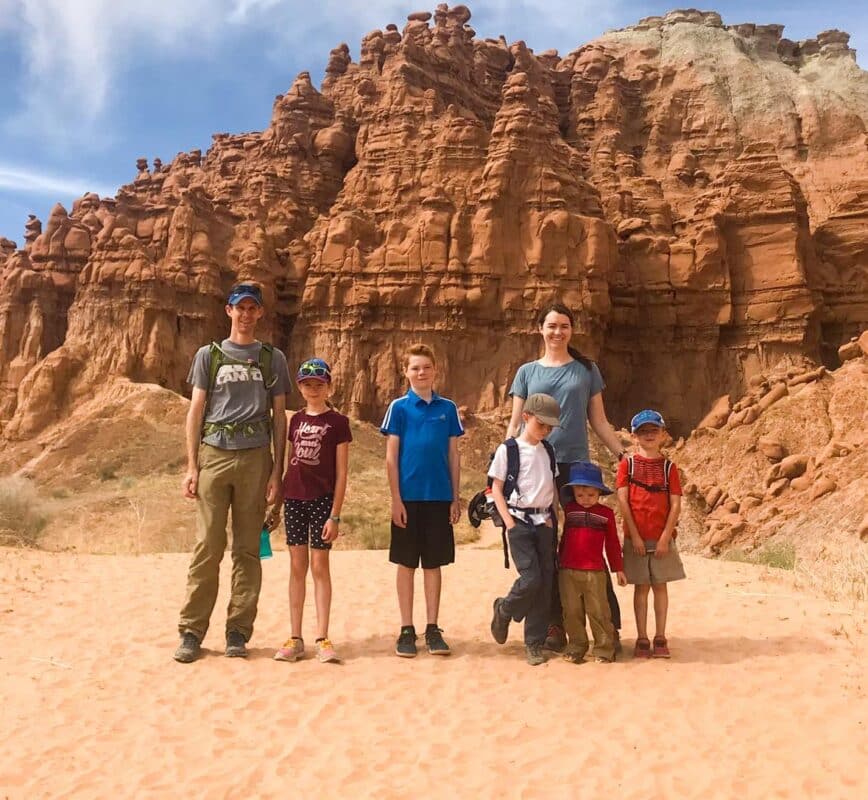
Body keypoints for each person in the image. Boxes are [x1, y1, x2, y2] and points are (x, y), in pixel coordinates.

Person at [174, 283, 289, 663]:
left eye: (252, 308)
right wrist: (192, 465)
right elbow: (195, 411)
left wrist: (277, 471)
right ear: (228, 311)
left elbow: (279, 419)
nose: (245, 314)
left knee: (246, 551)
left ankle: (238, 632)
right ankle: (192, 631)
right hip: (215, 455)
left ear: (259, 313)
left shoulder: (273, 359)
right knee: (207, 546)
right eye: (240, 307)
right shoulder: (210, 355)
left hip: (255, 459)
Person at [506, 302, 626, 652]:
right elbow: (515, 423)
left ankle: (608, 627)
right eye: (551, 326)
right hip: (536, 467)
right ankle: (554, 626)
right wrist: (505, 464)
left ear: (571, 330)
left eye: (564, 326)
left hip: (575, 468)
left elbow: (599, 421)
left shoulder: (586, 370)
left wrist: (623, 456)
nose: (557, 332)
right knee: (548, 550)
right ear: (540, 329)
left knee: (586, 543)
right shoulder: (526, 372)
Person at [381, 343, 463, 658]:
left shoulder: (448, 408)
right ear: (406, 372)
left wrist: (455, 498)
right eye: (415, 367)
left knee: (433, 564)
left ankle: (432, 628)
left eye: (426, 367)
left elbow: (454, 455)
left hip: (439, 497)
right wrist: (395, 499)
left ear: (435, 370)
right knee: (405, 564)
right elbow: (391, 458)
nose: (421, 373)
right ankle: (406, 629)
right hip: (408, 498)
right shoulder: (399, 407)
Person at [274, 358, 351, 664]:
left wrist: (335, 514)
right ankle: (295, 637)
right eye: (307, 384)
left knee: (320, 567)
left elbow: (343, 473)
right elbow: (291, 461)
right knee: (296, 567)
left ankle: (323, 637)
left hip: (322, 500)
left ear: (328, 386)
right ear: (300, 388)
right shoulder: (295, 420)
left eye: (319, 384)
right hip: (294, 499)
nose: (313, 389)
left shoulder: (338, 423)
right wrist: (278, 499)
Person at [489, 394, 560, 666]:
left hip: (544, 524)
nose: (546, 431)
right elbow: (495, 487)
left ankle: (534, 643)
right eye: (542, 425)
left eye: (550, 427)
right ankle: (504, 609)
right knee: (531, 578)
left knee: (544, 584)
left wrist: (555, 518)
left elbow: (550, 487)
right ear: (526, 417)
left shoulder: (548, 450)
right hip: (518, 522)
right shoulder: (509, 450)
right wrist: (508, 521)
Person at [616, 409, 686, 659]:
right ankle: (642, 637)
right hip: (636, 536)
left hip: (661, 537)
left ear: (663, 434)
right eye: (643, 431)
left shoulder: (669, 468)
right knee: (642, 587)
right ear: (634, 436)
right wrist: (633, 535)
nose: (648, 435)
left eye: (653, 430)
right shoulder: (628, 465)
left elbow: (675, 504)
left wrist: (666, 537)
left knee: (660, 586)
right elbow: (623, 501)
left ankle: (660, 636)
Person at [558, 461, 626, 664]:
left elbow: (613, 543)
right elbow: (563, 540)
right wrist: (559, 563)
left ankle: (604, 649)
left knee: (598, 611)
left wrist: (618, 569)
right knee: (571, 611)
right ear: (573, 494)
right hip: (567, 569)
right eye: (580, 495)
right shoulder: (569, 510)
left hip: (595, 571)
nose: (585, 500)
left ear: (599, 492)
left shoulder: (606, 515)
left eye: (590, 495)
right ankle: (576, 646)